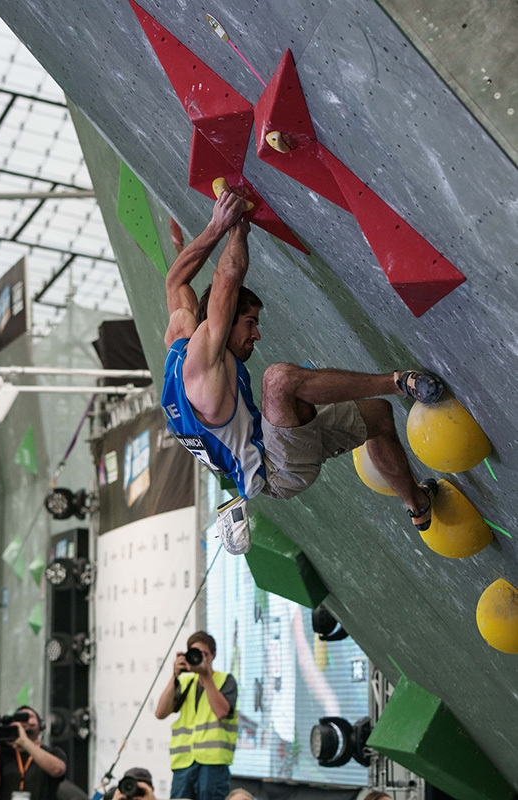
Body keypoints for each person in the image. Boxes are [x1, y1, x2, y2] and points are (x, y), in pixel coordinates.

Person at [161, 188, 444, 554]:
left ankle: (417, 506)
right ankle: (400, 382)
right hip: (278, 470)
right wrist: (234, 226)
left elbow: (176, 281)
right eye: (249, 323)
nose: (256, 335)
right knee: (278, 380)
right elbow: (228, 277)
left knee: (379, 418)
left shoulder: (180, 340)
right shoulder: (200, 364)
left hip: (267, 447)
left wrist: (216, 229)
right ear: (225, 321)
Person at [155, 631, 238, 800]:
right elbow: (160, 713)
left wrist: (206, 675)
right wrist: (175, 676)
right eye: (195, 654)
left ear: (213, 655)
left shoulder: (225, 680)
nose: (200, 659)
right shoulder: (186, 682)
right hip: (184, 763)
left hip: (213, 764)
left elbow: (221, 712)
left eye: (204, 654)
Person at [0, 705, 67, 800]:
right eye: (19, 718)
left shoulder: (53, 752)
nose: (24, 721)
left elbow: (58, 770)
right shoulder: (5, 755)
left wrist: (24, 741)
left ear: (40, 725)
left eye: (29, 717)